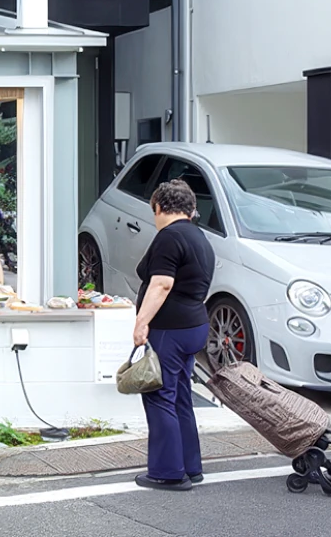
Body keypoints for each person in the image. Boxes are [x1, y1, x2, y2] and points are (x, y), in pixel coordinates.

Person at [131, 179, 214, 491]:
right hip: (194, 324)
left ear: (158, 207)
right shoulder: (198, 236)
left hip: (171, 328)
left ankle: (167, 472)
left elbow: (162, 283)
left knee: (159, 395)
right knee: (179, 395)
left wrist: (141, 323)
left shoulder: (169, 236)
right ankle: (190, 466)